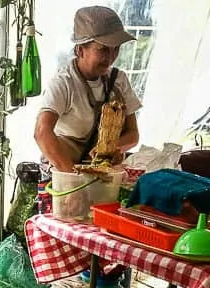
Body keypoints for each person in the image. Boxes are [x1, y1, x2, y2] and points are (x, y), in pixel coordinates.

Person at [34, 5, 142, 175]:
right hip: (64, 171)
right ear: (80, 49)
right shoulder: (65, 83)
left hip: (101, 173)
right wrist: (74, 177)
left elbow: (133, 134)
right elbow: (42, 133)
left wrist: (113, 148)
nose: (111, 57)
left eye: (116, 49)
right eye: (103, 49)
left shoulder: (118, 80)